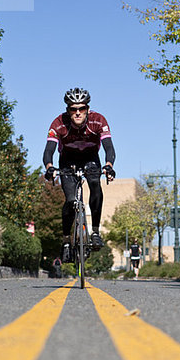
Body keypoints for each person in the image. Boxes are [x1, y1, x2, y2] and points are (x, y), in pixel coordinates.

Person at [43, 87, 116, 263]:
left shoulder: (98, 121)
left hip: (91, 158)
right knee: (70, 201)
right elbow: (48, 151)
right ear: (68, 110)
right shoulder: (58, 123)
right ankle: (67, 241)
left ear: (87, 109)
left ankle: (96, 232)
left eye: (81, 109)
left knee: (94, 183)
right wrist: (50, 167)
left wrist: (108, 165)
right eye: (73, 109)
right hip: (67, 160)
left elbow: (109, 147)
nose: (77, 113)